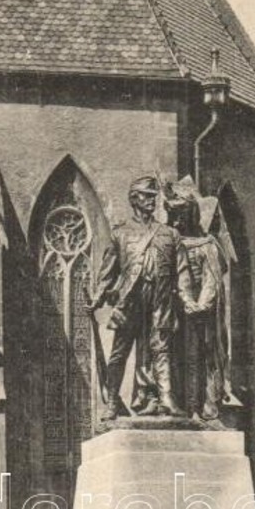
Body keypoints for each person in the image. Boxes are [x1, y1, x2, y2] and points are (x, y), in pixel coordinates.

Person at [87, 175, 190, 420]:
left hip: (160, 298)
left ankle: (166, 398)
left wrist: (187, 300)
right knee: (119, 352)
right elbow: (107, 272)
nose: (151, 201)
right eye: (146, 196)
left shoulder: (170, 234)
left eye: (153, 197)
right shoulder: (120, 234)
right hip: (130, 300)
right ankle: (112, 401)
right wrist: (98, 298)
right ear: (134, 199)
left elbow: (182, 271)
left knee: (161, 349)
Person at [165, 181, 229, 421]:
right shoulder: (170, 243)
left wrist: (200, 304)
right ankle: (179, 404)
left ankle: (199, 405)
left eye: (182, 215)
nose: (178, 221)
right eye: (174, 215)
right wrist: (183, 301)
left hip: (201, 314)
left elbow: (212, 279)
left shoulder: (207, 245)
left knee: (199, 358)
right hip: (175, 310)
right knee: (175, 358)